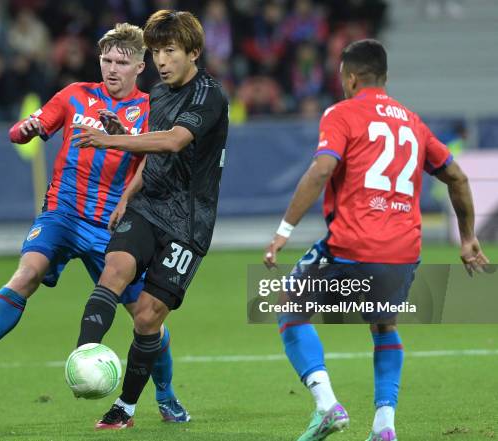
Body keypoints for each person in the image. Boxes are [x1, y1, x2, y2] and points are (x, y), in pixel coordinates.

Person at [0, 22, 191, 423]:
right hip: (62, 214)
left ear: (140, 66)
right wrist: (29, 128)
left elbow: (157, 162)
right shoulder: (75, 96)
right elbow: (17, 134)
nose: (111, 69)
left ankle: (166, 395)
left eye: (120, 63)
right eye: (106, 60)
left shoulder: (151, 109)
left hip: (112, 225)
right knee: (26, 275)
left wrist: (123, 138)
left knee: (146, 315)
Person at [263, 39, 489, 441]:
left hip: (353, 244)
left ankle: (326, 405)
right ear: (384, 77)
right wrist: (468, 237)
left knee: (288, 306)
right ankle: (385, 427)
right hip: (404, 251)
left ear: (350, 78)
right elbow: (457, 177)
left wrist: (283, 232)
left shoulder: (342, 113)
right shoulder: (413, 122)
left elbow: (320, 171)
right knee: (384, 325)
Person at [69, 10, 229, 430]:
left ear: (193, 52)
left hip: (189, 223)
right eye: (156, 51)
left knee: (147, 317)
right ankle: (84, 357)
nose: (161, 60)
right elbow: (150, 151)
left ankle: (125, 407)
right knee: (114, 269)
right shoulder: (158, 93)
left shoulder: (208, 95)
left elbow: (174, 141)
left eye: (170, 50)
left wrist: (109, 138)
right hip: (148, 206)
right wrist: (128, 192)